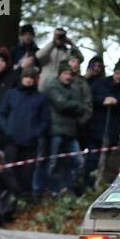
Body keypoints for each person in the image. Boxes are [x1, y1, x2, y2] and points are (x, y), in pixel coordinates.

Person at [0, 66, 50, 194]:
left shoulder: (40, 98)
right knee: (9, 170)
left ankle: (24, 197)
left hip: (30, 143)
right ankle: (10, 196)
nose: (28, 80)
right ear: (22, 78)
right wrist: (7, 130)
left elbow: (45, 120)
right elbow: (2, 114)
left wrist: (36, 133)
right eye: (26, 77)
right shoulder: (11, 94)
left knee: (27, 172)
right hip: (12, 141)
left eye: (31, 78)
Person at [42, 61, 89, 196]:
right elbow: (61, 105)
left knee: (78, 161)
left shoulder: (74, 88)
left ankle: (67, 188)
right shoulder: (52, 86)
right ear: (60, 74)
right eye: (65, 73)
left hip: (71, 131)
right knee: (53, 162)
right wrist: (73, 105)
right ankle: (51, 190)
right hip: (55, 131)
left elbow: (82, 108)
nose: (68, 76)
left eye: (70, 74)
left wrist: (71, 105)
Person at [88, 58, 120, 184]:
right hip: (96, 129)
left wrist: (116, 103)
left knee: (105, 160)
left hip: (112, 131)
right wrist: (104, 100)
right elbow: (91, 98)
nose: (119, 76)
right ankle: (88, 184)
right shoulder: (100, 84)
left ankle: (99, 183)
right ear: (113, 72)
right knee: (92, 159)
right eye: (117, 73)